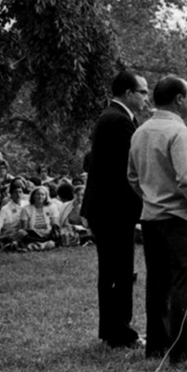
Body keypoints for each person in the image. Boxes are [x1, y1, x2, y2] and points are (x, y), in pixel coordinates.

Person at [127, 75, 187, 365]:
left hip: (151, 218)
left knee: (158, 283)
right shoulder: (179, 132)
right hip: (180, 218)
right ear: (179, 99)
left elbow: (132, 177)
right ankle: (184, 351)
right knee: (183, 283)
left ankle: (157, 345)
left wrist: (152, 198)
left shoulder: (140, 132)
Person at [82, 70, 149, 349]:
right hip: (113, 209)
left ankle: (112, 329)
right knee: (118, 271)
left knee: (114, 270)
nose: (146, 97)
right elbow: (129, 167)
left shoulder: (115, 118)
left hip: (107, 208)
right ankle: (120, 332)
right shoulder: (118, 121)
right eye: (142, 92)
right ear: (128, 93)